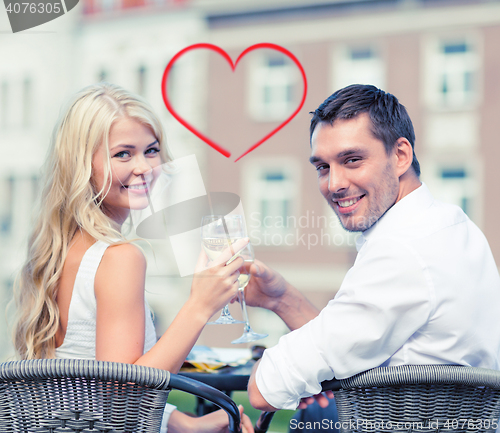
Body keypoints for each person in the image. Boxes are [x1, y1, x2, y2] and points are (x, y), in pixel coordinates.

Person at [12, 82, 254, 433]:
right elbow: (123, 392)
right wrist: (200, 306)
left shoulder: (60, 249)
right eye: (123, 154)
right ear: (82, 164)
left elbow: (88, 387)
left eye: (151, 151)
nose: (144, 167)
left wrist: (184, 423)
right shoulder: (120, 257)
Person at [246, 84, 500, 414]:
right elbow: (355, 340)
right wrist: (280, 298)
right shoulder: (453, 224)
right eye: (322, 167)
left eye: (352, 160)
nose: (334, 184)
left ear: (400, 156)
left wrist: (261, 368)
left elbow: (264, 391)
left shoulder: (401, 249)